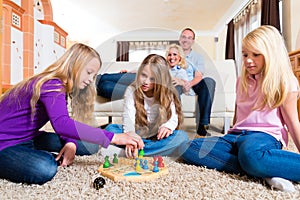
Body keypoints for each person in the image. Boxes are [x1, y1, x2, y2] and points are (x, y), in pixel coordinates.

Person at [0, 43, 143, 185]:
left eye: (93, 75)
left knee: (89, 145)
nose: (90, 80)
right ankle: (30, 157)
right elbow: (62, 124)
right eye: (88, 72)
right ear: (74, 66)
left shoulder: (61, 87)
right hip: (5, 142)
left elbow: (63, 121)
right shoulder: (52, 85)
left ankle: (29, 154)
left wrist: (70, 143)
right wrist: (115, 138)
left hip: (29, 137)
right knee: (44, 168)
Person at [180, 25, 300, 192]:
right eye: (245, 55)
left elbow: (293, 123)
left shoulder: (285, 82)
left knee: (252, 156)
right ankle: (264, 169)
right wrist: (230, 135)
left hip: (263, 136)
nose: (248, 60)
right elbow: (240, 115)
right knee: (188, 147)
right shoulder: (241, 80)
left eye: (256, 55)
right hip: (235, 136)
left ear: (271, 54)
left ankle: (260, 165)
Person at [105, 54, 189, 157]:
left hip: (157, 135)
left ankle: (132, 151)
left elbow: (173, 118)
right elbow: (128, 117)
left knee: (182, 137)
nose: (145, 82)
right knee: (110, 129)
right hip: (138, 132)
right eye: (143, 75)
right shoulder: (132, 90)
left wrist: (167, 126)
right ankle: (144, 149)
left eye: (152, 79)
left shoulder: (168, 93)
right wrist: (130, 135)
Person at [178, 28, 216, 136]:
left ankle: (203, 124)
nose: (186, 40)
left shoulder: (198, 57)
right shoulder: (173, 54)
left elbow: (198, 76)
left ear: (193, 41)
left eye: (189, 38)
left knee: (209, 81)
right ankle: (176, 125)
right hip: (176, 82)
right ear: (180, 39)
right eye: (184, 37)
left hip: (192, 83)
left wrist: (188, 84)